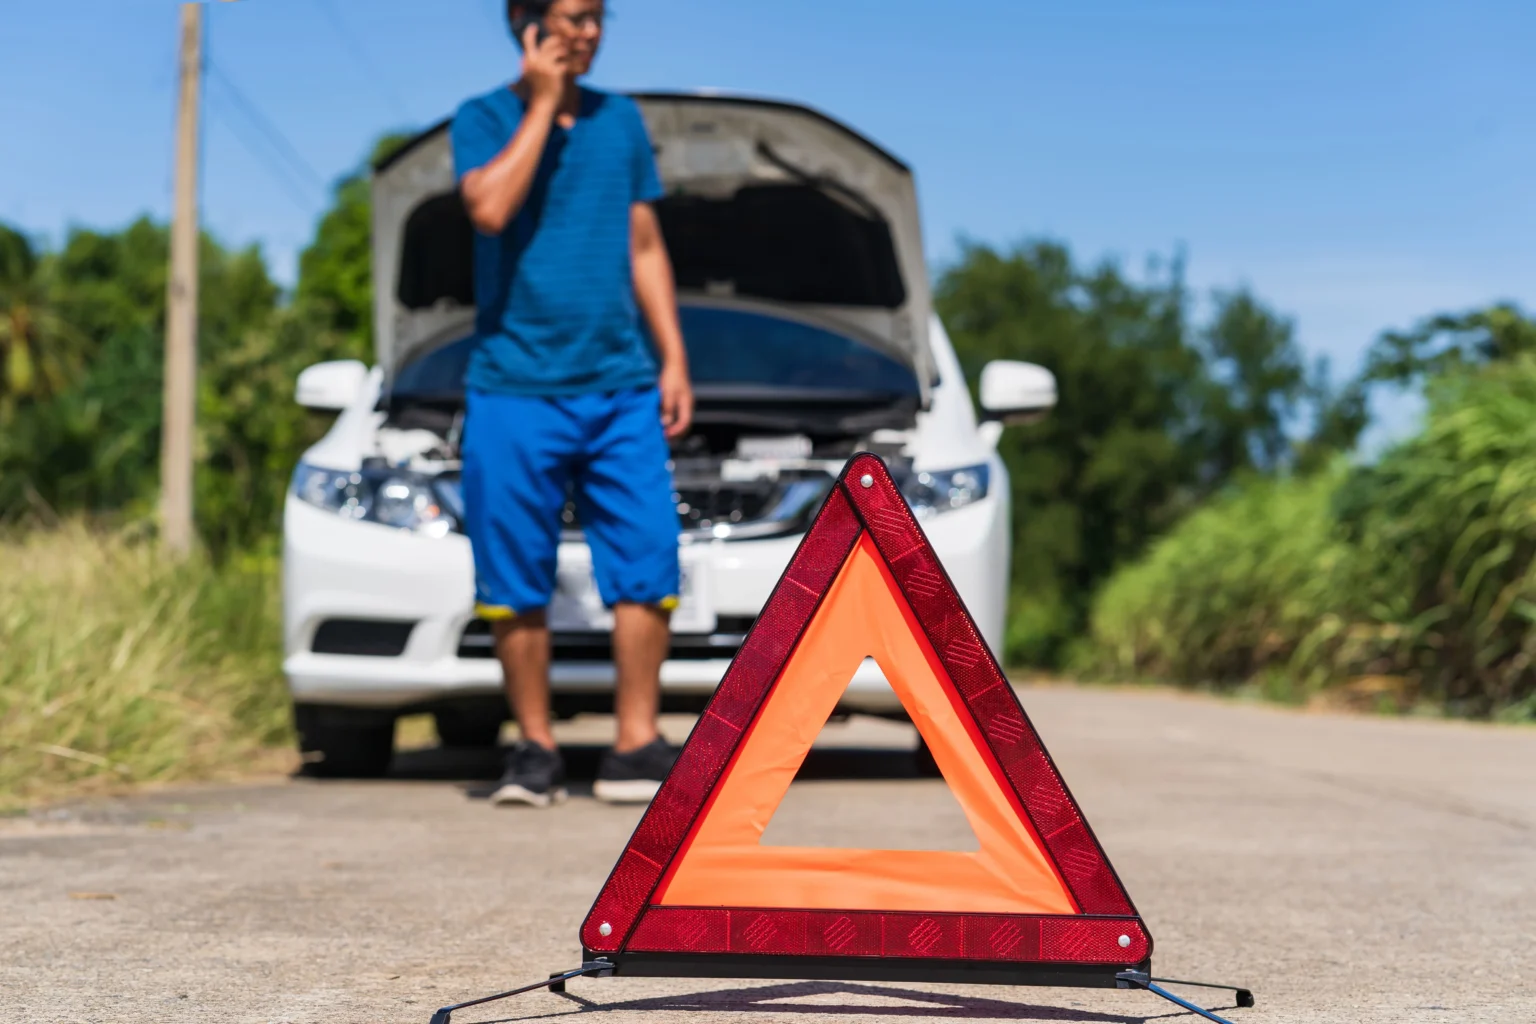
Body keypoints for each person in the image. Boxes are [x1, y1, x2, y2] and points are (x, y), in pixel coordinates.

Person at [451, 0, 694, 808]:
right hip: (512, 388)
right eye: (570, 17)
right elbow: (488, 208)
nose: (587, 32)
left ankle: (634, 745)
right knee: (513, 573)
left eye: (596, 18)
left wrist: (674, 358)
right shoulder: (482, 117)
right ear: (526, 21)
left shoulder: (620, 122)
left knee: (649, 561)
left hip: (620, 386)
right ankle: (536, 750)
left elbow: (645, 243)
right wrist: (545, 105)